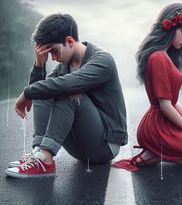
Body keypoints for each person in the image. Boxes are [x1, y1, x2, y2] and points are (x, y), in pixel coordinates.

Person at [6, 13, 128, 178]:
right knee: (46, 90)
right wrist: (39, 65)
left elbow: (65, 85)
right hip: (79, 148)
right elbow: (41, 90)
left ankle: (45, 158)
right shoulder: (64, 66)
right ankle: (39, 154)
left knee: (67, 91)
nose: (54, 59)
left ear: (70, 41)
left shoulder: (103, 60)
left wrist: (28, 92)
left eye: (54, 51)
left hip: (104, 146)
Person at [112, 3, 182, 172]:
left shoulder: (166, 57)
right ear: (170, 27)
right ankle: (160, 154)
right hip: (158, 127)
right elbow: (165, 106)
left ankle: (159, 153)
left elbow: (174, 103)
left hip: (166, 123)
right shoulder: (158, 57)